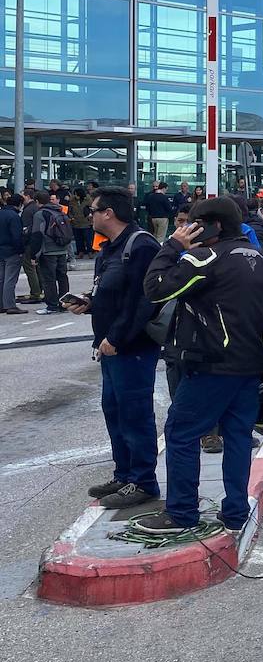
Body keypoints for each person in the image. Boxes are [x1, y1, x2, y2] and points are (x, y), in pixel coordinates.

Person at [137, 197, 263, 535]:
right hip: (251, 365)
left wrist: (172, 246)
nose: (185, 229)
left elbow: (155, 289)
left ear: (211, 226)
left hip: (212, 365)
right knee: (238, 437)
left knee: (181, 433)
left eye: (191, 224)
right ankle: (235, 511)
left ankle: (182, 512)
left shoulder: (206, 258)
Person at [65, 186, 162, 509]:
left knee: (135, 414)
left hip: (131, 347)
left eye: (93, 210)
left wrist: (117, 338)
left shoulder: (141, 246)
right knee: (115, 411)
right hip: (109, 345)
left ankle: (144, 482)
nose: (89, 215)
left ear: (109, 212)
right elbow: (113, 295)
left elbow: (142, 301)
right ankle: (125, 475)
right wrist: (89, 304)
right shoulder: (110, 248)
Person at [28, 191, 72, 314]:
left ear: (37, 202)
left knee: (48, 279)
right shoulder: (59, 211)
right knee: (62, 277)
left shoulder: (40, 214)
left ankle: (52, 306)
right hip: (62, 249)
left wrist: (34, 255)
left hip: (47, 251)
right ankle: (65, 304)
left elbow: (37, 235)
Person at [0, 194, 24, 314]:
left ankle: (1, 304)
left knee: (1, 279)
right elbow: (17, 236)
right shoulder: (14, 216)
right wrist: (20, 251)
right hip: (11, 251)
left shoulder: (1, 213)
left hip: (1, 251)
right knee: (10, 279)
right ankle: (10, 305)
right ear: (19, 204)